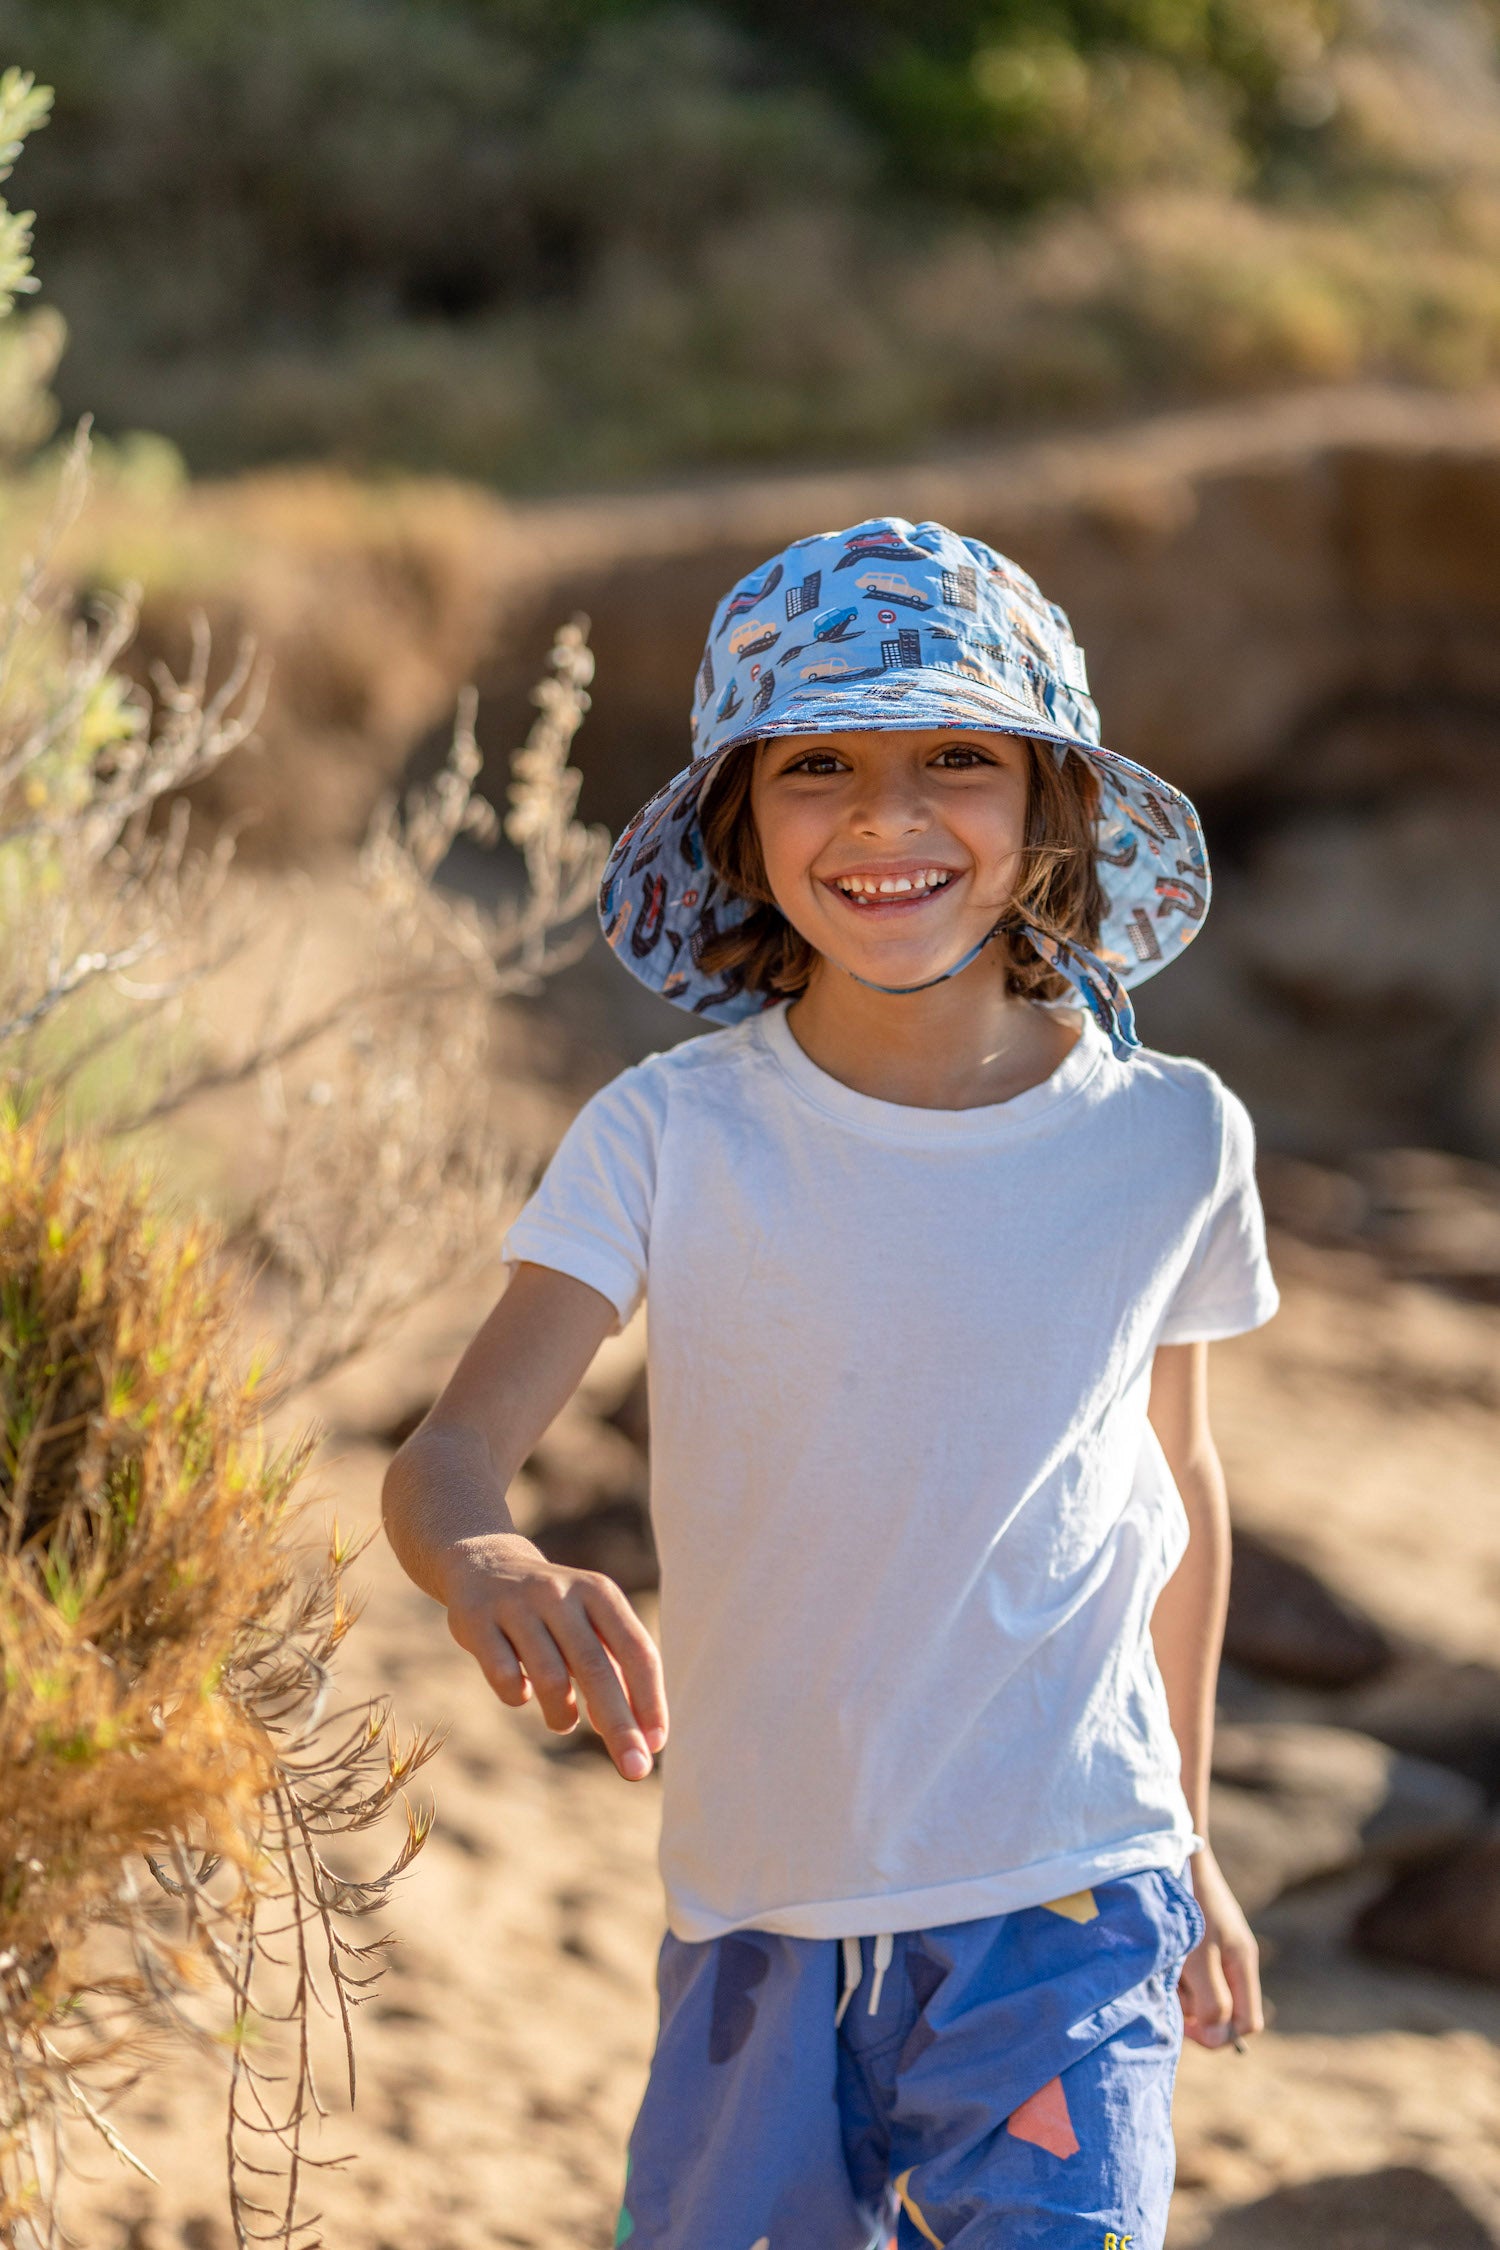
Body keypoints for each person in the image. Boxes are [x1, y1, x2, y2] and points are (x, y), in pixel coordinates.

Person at [380, 518, 1279, 2250]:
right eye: (817, 765)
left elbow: (1180, 1484)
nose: (886, 816)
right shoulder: (672, 1135)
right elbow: (449, 1459)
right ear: (738, 820)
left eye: (956, 752)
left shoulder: (1173, 1138)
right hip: (755, 1914)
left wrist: (1196, 1834)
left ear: (1049, 803)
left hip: (1074, 1885)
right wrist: (490, 1561)